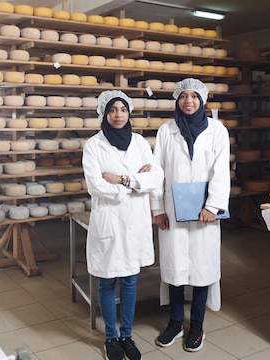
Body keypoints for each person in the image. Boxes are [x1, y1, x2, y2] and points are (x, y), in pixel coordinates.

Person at [82, 90, 164, 360]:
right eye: (113, 110)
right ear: (104, 114)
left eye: (123, 110)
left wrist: (124, 180)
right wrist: (134, 186)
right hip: (109, 220)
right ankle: (111, 338)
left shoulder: (139, 142)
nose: (118, 115)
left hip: (135, 222)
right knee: (107, 281)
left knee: (130, 280)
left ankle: (127, 335)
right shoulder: (94, 145)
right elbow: (97, 186)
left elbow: (156, 177)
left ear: (129, 113)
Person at [150, 78, 231, 352]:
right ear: (177, 100)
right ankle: (175, 323)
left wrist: (213, 205)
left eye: (194, 97)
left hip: (204, 212)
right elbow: (157, 172)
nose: (189, 101)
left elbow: (221, 171)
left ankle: (196, 325)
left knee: (201, 268)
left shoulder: (217, 131)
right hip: (173, 211)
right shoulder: (166, 131)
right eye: (183, 96)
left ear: (202, 101)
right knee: (174, 268)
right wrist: (158, 209)